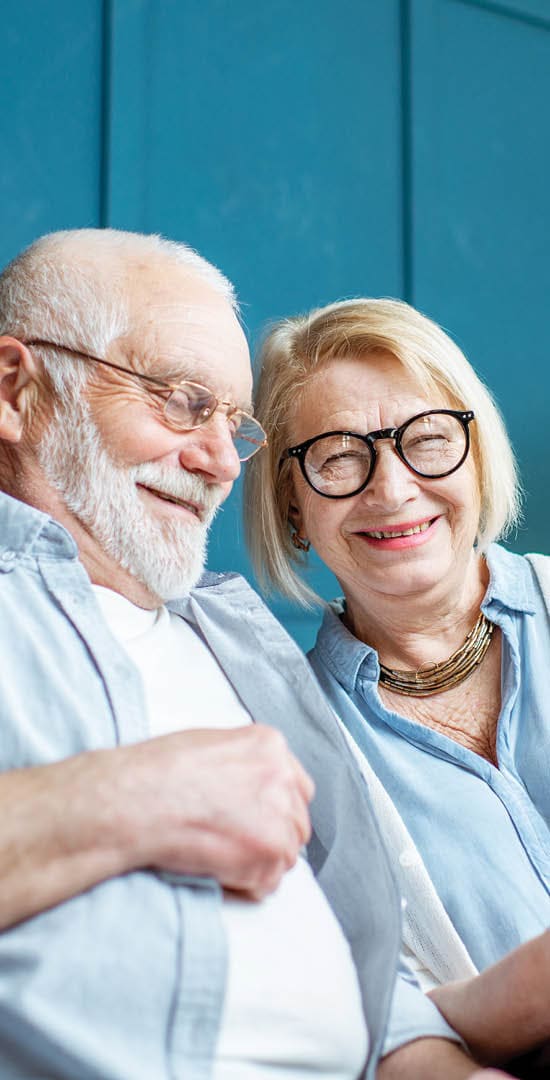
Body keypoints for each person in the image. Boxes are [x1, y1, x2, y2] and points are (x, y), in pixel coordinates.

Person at [0, 230, 504, 1080]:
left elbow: (381, 991)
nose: (216, 462)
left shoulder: (239, 648)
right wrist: (128, 797)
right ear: (15, 391)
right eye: (182, 400)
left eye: (231, 425)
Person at [245, 296, 550, 1076]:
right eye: (340, 455)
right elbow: (350, 1014)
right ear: (291, 505)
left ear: (475, 456)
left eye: (428, 440)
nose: (392, 488)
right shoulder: (288, 752)